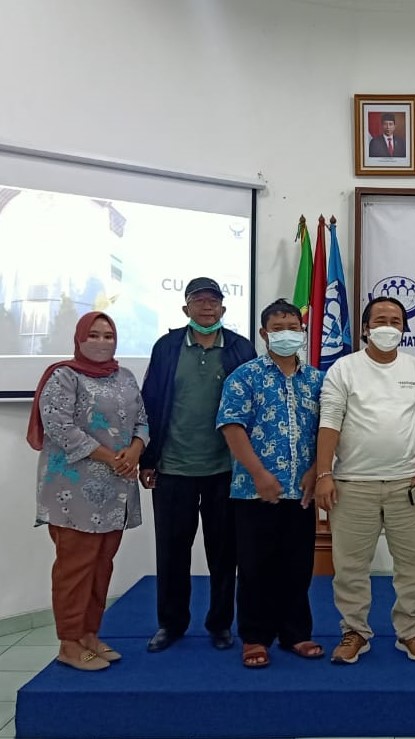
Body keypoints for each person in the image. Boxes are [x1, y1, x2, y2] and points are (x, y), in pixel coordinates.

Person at [315, 296, 415, 664]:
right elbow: (329, 421)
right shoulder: (344, 368)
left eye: (395, 321)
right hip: (353, 484)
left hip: (408, 484)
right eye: (380, 320)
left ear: (404, 328)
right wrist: (324, 473)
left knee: (414, 566)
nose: (388, 326)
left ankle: (411, 632)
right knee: (350, 567)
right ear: (366, 328)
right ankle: (354, 631)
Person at [139, 277, 256, 653]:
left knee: (224, 554)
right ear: (185, 308)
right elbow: (150, 402)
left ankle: (220, 624)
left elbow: (254, 405)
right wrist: (147, 459)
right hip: (173, 467)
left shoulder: (240, 348)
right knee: (172, 552)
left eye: (213, 301)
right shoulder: (167, 347)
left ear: (223, 308)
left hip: (226, 470)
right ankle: (171, 624)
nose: (207, 306)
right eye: (199, 300)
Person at [27, 311, 148, 671]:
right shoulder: (63, 376)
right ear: (79, 339)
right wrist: (112, 458)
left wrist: (136, 449)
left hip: (116, 491)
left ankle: (89, 635)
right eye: (93, 335)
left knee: (101, 565)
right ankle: (69, 642)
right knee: (74, 569)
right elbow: (60, 427)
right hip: (73, 492)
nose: (101, 342)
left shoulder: (124, 377)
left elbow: (143, 419)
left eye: (108, 336)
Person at [216, 299, 325, 668]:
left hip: (302, 491)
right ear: (264, 334)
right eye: (278, 329)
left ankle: (296, 633)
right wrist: (259, 474)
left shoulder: (317, 381)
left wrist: (317, 470)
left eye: (293, 328)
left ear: (303, 332)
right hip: (254, 491)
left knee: (298, 566)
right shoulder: (244, 376)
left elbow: (328, 431)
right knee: (254, 567)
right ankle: (255, 636)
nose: (286, 334)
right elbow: (232, 427)